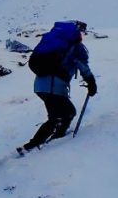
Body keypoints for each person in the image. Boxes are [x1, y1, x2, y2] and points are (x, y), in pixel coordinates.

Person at [20, 21, 97, 152]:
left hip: (40, 86)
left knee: (59, 114)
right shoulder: (75, 47)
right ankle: (44, 143)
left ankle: (42, 142)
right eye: (82, 32)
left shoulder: (54, 44)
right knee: (64, 114)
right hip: (54, 86)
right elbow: (83, 67)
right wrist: (91, 83)